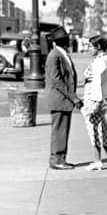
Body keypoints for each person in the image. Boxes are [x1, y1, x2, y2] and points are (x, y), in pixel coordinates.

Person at [45, 26, 82, 170]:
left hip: (62, 99)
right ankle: (57, 159)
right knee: (59, 130)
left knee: (62, 129)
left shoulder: (60, 54)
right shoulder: (55, 56)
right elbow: (57, 81)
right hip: (59, 99)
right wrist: (74, 97)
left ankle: (60, 158)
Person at [80, 35, 107, 170]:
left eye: (91, 46)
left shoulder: (98, 62)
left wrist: (95, 102)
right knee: (103, 126)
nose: (89, 49)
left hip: (94, 97)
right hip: (104, 96)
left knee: (93, 128)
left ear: (98, 47)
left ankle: (97, 160)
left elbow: (96, 83)